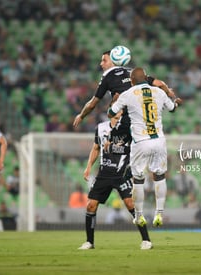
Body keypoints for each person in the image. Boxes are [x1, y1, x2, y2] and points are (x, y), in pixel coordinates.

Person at [108, 67, 182, 228]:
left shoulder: (128, 94)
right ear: (145, 78)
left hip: (140, 142)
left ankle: (139, 216)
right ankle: (159, 214)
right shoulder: (159, 92)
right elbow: (173, 108)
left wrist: (114, 101)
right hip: (159, 141)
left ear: (132, 80)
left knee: (138, 179)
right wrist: (177, 102)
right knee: (159, 176)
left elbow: (110, 112)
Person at [78, 111, 152, 250]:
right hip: (104, 174)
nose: (119, 120)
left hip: (122, 174)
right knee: (91, 206)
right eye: (117, 117)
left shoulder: (129, 129)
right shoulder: (101, 128)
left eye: (121, 118)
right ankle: (89, 242)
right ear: (110, 116)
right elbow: (96, 148)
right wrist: (88, 166)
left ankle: (146, 240)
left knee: (131, 205)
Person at [72, 49, 175, 129]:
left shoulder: (107, 76)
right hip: (144, 118)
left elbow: (92, 104)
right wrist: (168, 92)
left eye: (104, 60)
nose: (101, 64)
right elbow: (160, 84)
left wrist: (81, 116)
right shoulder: (133, 72)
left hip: (126, 120)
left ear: (114, 61)